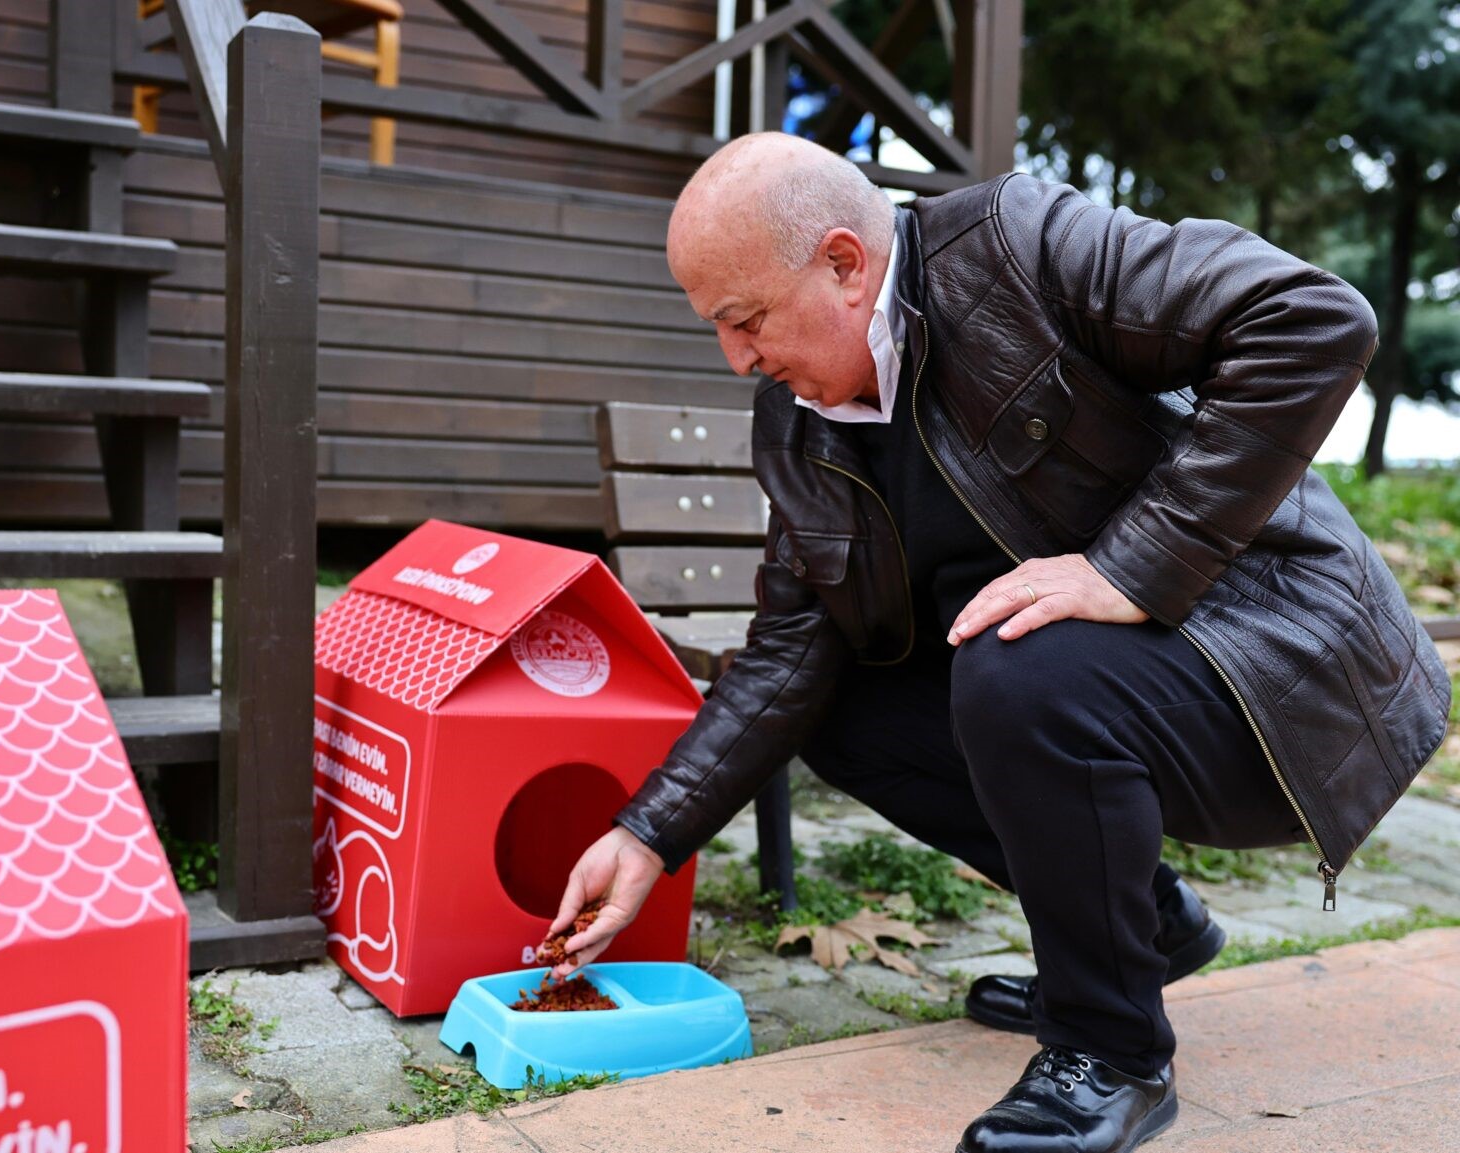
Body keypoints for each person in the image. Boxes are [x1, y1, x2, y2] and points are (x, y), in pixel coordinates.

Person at [544, 133, 1451, 1153]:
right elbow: (790, 654)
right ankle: (1139, 926)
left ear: (843, 264)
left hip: (1279, 674)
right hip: (1100, 691)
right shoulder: (797, 432)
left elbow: (1314, 319)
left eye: (744, 319)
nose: (739, 358)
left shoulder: (1023, 246)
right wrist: (648, 834)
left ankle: (1108, 1052)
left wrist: (1127, 569)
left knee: (1018, 663)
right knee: (843, 704)